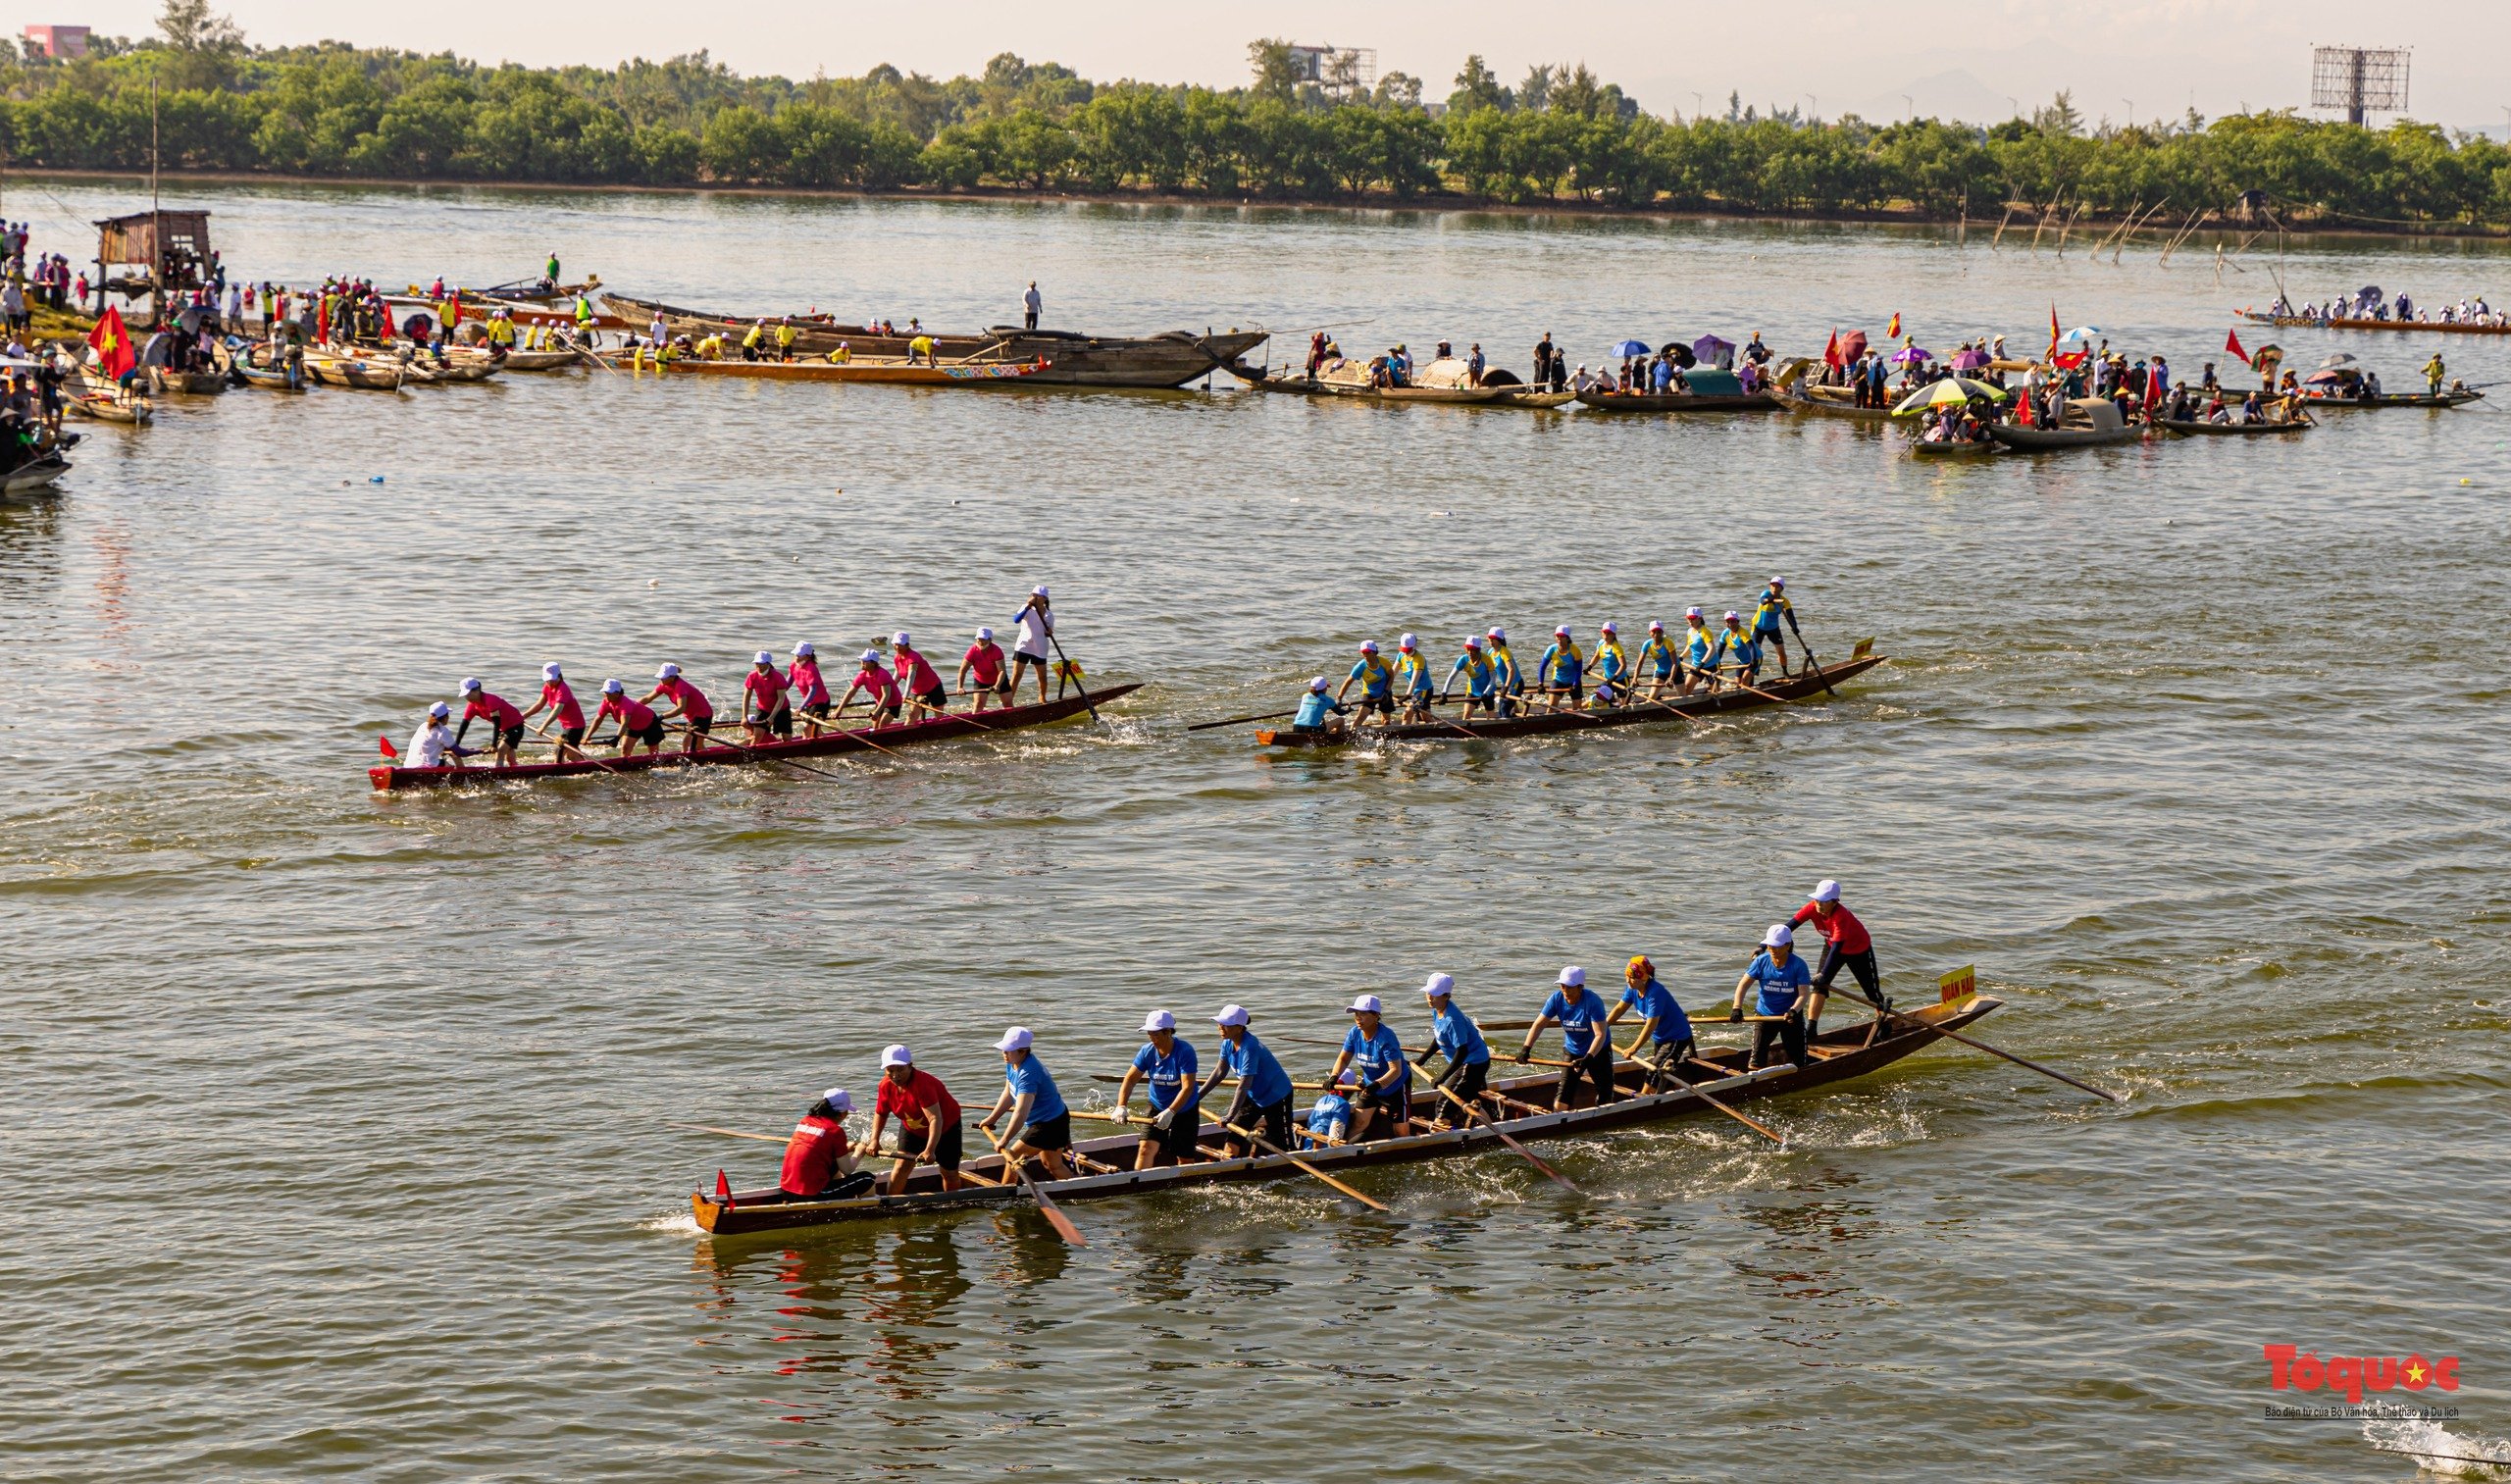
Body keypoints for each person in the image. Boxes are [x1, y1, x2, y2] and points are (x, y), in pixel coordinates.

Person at [1197, 1003, 1295, 1156]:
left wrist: (1229, 1115)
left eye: (1226, 1025)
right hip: (1253, 1096)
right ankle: (1229, 1164)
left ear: (1240, 1028)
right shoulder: (1227, 1043)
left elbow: (1243, 1085)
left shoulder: (1249, 1047)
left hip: (1276, 1097)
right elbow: (1219, 1072)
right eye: (1220, 1023)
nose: (1220, 1027)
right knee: (1234, 1134)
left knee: (1282, 1145)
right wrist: (1196, 1097)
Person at [867, 1045, 968, 1195]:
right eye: (890, 1070)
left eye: (900, 1069)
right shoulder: (885, 1086)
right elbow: (881, 1113)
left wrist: (930, 1150)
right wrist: (874, 1140)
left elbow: (935, 1118)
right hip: (912, 1128)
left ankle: (952, 1203)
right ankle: (891, 1203)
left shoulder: (923, 1085)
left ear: (910, 1066)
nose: (895, 1075)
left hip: (945, 1128)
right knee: (901, 1166)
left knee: (949, 1173)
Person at [1790, 879, 1889, 1030]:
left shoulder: (1841, 916)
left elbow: (1837, 949)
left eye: (1824, 901)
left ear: (1835, 902)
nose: (1819, 904)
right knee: (1819, 987)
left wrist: (1824, 974)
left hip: (1858, 950)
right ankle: (1811, 1028)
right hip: (1831, 946)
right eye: (1817, 899)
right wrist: (1763, 945)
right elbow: (1789, 927)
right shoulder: (1811, 908)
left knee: (1872, 993)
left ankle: (1883, 1022)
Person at [978, 1026, 1074, 1181]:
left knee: (1013, 1155)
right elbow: (1009, 1093)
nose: (1004, 1054)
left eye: (1008, 1051)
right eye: (1003, 1050)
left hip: (1051, 1124)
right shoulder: (1012, 1063)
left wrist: (1004, 1140)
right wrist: (991, 1119)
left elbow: (1020, 1113)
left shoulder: (1028, 1073)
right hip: (1047, 1120)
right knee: (1052, 1165)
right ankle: (1076, 1186)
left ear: (1023, 1051)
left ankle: (1006, 1194)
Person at [1516, 966, 1616, 1109]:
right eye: (1563, 986)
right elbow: (1538, 1025)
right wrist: (1526, 1048)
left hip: (1598, 1051)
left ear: (1580, 987)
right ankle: (1560, 1118)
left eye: (1570, 987)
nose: (1565, 991)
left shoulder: (1593, 1002)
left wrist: (1588, 1057)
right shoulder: (1556, 999)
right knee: (1563, 1095)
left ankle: (1603, 1115)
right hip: (1572, 1050)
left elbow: (1600, 1034)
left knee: (1605, 1092)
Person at [1113, 1010, 1202, 1170]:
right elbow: (1130, 1079)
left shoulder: (1185, 1051)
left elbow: (1188, 1087)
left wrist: (1171, 1112)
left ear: (1168, 1032)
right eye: (1150, 1034)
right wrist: (1121, 1106)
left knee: (1184, 1158)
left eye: (1156, 1035)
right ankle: (1140, 1184)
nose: (1152, 1039)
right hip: (1156, 1106)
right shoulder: (1147, 1051)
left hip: (1184, 1109)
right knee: (1145, 1149)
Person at [1327, 994, 1412, 1139]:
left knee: (1401, 1132)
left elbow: (1396, 1070)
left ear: (1376, 1015)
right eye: (1356, 1014)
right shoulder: (1354, 1033)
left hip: (1396, 1086)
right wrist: (1334, 1076)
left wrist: (1378, 1085)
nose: (1358, 1018)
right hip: (1370, 1085)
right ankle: (1343, 1148)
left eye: (1363, 1014)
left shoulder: (1386, 1037)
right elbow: (1344, 1058)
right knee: (1358, 1124)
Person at [1607, 955, 1695, 1092]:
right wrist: (1602, 1028)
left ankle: (1644, 1099)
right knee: (1664, 1075)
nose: (1628, 980)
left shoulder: (1655, 993)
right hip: (1661, 1037)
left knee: (1653, 1074)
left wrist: (1633, 1048)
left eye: (1632, 977)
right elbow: (1619, 1009)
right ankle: (1684, 1095)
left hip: (1677, 1037)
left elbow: (1650, 1025)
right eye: (1627, 975)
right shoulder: (1632, 989)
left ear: (1644, 977)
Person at [1732, 925, 1813, 1070]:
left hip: (1790, 1017)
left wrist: (1793, 1011)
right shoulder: (1761, 961)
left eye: (1776, 946)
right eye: (1769, 946)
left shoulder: (1799, 965)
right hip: (1765, 1016)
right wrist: (1737, 1008)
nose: (1772, 950)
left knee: (1800, 1063)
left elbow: (1804, 994)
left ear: (1788, 945)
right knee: (1755, 1063)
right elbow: (1742, 986)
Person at [1418, 974, 1492, 1128]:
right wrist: (1421, 1061)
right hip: (1469, 1061)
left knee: (1443, 1102)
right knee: (1469, 1099)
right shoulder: (1437, 1010)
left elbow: (1462, 1052)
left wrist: (1442, 1077)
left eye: (1435, 994)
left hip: (1472, 1062)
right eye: (1428, 993)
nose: (1430, 998)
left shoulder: (1453, 1019)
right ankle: (1490, 1128)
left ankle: (1442, 1129)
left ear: (1446, 996)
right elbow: (1439, 1038)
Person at [777, 1088, 873, 1201]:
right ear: (843, 1113)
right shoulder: (835, 1131)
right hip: (813, 1194)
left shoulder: (805, 1121)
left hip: (786, 1190)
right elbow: (847, 1170)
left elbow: (816, 1150)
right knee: (867, 1179)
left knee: (833, 1164)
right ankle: (866, 1208)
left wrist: (845, 1149)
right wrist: (859, 1152)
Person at [518, 661, 587, 761]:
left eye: (553, 679)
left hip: (576, 726)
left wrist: (543, 727)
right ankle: (584, 767)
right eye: (548, 679)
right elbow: (539, 704)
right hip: (566, 726)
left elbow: (556, 711)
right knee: (568, 752)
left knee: (561, 751)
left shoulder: (563, 690)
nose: (550, 682)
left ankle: (560, 772)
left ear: (559, 675)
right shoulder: (547, 687)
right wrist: (522, 716)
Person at [454, 677, 526, 769]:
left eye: (468, 694)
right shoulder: (472, 706)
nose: (467, 697)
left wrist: (493, 744)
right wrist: (456, 746)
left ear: (477, 690)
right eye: (465, 695)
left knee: (500, 750)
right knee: (508, 751)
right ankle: (515, 769)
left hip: (516, 725)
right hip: (503, 728)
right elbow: (464, 725)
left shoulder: (490, 700)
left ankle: (498, 774)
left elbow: (497, 723)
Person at [642, 663, 715, 754]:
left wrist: (661, 717)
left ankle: (706, 761)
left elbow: (681, 708)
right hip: (692, 717)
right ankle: (699, 760)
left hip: (703, 715)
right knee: (697, 745)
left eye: (664, 677)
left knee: (689, 744)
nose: (661, 679)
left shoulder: (680, 686)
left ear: (672, 677)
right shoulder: (664, 685)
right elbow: (647, 698)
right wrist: (634, 705)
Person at [590, 679, 664, 757]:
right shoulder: (606, 702)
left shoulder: (625, 703)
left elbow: (624, 723)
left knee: (654, 754)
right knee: (625, 749)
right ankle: (625, 765)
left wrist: (616, 738)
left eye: (609, 693)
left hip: (650, 723)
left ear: (617, 693)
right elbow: (598, 719)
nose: (606, 695)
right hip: (633, 725)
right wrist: (588, 736)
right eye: (605, 692)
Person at [1010, 587, 1056, 702]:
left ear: (1044, 599)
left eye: (1037, 595)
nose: (1034, 597)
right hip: (1024, 645)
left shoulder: (1049, 615)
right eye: (1033, 595)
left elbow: (1047, 633)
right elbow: (1016, 620)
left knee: (1042, 676)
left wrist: (1049, 632)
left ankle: (1042, 698)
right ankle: (1009, 701)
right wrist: (1027, 607)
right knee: (1016, 675)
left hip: (1040, 647)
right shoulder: (1026, 609)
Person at [1339, 640, 1395, 727]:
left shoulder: (1384, 662)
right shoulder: (1360, 667)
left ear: (1374, 652)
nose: (1365, 655)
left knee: (1386, 721)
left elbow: (1391, 676)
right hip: (1370, 694)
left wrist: (1386, 691)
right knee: (1360, 717)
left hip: (1385, 693)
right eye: (1363, 652)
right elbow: (1347, 682)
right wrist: (1339, 698)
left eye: (1367, 652)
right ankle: (1352, 733)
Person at [891, 633, 948, 717]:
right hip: (917, 691)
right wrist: (890, 689)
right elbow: (898, 673)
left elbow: (911, 676)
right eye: (896, 644)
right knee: (911, 716)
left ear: (907, 645)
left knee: (939, 716)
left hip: (933, 688)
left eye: (900, 645)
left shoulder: (913, 657)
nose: (897, 647)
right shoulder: (897, 658)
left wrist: (905, 695)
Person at [1443, 635, 1498, 721]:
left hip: (1488, 693)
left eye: (1472, 650)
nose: (1469, 652)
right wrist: (1444, 693)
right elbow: (1451, 677)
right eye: (1468, 649)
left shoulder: (1487, 660)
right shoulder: (1463, 660)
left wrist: (1486, 693)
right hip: (1473, 692)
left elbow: (1493, 679)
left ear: (1478, 650)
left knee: (1491, 719)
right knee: (1466, 715)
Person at [842, 649, 903, 726]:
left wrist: (877, 712)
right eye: (862, 660)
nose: (862, 663)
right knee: (875, 728)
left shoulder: (882, 674)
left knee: (882, 724)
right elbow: (850, 693)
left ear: (873, 663)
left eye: (865, 661)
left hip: (894, 703)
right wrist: (839, 710)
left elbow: (886, 695)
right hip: (880, 702)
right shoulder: (862, 675)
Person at [741, 651, 792, 742]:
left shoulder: (777, 676)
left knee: (787, 739)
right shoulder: (752, 676)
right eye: (757, 664)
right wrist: (744, 717)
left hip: (781, 709)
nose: (759, 667)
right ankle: (751, 754)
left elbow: (781, 699)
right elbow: (746, 697)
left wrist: (771, 717)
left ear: (768, 664)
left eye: (762, 664)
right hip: (763, 709)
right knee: (757, 737)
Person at [958, 627, 1010, 712]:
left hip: (999, 679)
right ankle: (976, 723)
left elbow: (1002, 671)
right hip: (981, 680)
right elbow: (963, 671)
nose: (980, 642)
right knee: (978, 704)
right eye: (979, 639)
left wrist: (997, 685)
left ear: (990, 640)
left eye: (983, 639)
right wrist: (960, 687)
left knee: (1008, 704)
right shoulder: (972, 651)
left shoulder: (997, 651)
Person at [787, 641, 832, 736]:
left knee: (807, 729)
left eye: (800, 655)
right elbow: (786, 684)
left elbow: (812, 691)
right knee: (812, 731)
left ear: (808, 656)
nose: (797, 657)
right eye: (796, 654)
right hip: (810, 703)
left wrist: (800, 707)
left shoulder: (811, 669)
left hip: (821, 703)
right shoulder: (793, 665)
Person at [1751, 578, 1794, 676]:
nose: (1774, 588)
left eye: (1777, 586)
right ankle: (1752, 675)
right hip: (1758, 627)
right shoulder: (1765, 593)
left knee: (1781, 653)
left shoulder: (1784, 601)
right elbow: (1762, 601)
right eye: (1772, 585)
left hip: (1773, 629)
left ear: (1781, 589)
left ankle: (1785, 672)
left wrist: (1794, 627)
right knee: (1755, 654)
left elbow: (1791, 616)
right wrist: (1769, 600)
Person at [1536, 625, 1584, 711]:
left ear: (1567, 638)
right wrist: (1540, 684)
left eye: (1562, 636)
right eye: (1557, 636)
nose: (1559, 638)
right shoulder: (1551, 649)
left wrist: (1575, 684)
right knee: (1551, 706)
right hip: (1558, 680)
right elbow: (1542, 667)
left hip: (1574, 681)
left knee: (1577, 709)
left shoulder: (1575, 650)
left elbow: (1578, 670)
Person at [1392, 634, 1436, 724]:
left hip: (1424, 690)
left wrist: (1406, 696)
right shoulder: (1401, 655)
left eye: (1408, 650)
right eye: (1404, 650)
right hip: (1415, 691)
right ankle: (1434, 728)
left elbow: (1414, 680)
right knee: (1426, 718)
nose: (1406, 652)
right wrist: (1384, 688)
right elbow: (1392, 673)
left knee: (1407, 713)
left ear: (1414, 646)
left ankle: (1403, 735)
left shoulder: (1418, 659)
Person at [407, 701, 464, 769]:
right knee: (451, 765)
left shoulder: (423, 726)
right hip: (425, 766)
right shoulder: (442, 731)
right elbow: (456, 751)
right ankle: (463, 773)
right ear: (446, 717)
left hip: (408, 765)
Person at [1289, 676, 1350, 740]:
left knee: (1320, 718)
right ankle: (1339, 739)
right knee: (1341, 720)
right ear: (1325, 689)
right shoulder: (1328, 700)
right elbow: (1340, 713)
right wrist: (1349, 709)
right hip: (1312, 729)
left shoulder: (1305, 696)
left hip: (1296, 727)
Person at [1634, 619, 1679, 702]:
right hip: (1660, 670)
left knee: (1683, 697)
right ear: (1649, 633)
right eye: (1653, 632)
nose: (1656, 634)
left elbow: (1674, 663)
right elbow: (1640, 663)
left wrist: (1671, 679)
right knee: (1651, 698)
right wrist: (1634, 679)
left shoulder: (1668, 643)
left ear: (1662, 633)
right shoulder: (1647, 644)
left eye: (1659, 632)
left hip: (1675, 670)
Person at [1486, 627, 1524, 717]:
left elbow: (1511, 670)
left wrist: (1506, 688)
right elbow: (1489, 671)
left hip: (1516, 684)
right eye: (1489, 638)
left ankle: (1512, 728)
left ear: (1499, 640)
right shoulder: (1490, 652)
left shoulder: (1504, 651)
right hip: (1506, 685)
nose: (1491, 640)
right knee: (1501, 712)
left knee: (1504, 710)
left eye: (1493, 639)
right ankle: (1515, 715)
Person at [1591, 622, 1629, 707]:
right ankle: (1612, 704)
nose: (1606, 635)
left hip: (1621, 680)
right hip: (1608, 679)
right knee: (1599, 698)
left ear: (1613, 635)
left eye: (1609, 633)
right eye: (1604, 633)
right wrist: (1589, 667)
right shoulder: (1601, 643)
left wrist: (1614, 677)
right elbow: (1596, 656)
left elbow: (1623, 665)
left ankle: (1617, 705)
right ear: (1602, 633)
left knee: (1625, 705)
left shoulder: (1616, 647)